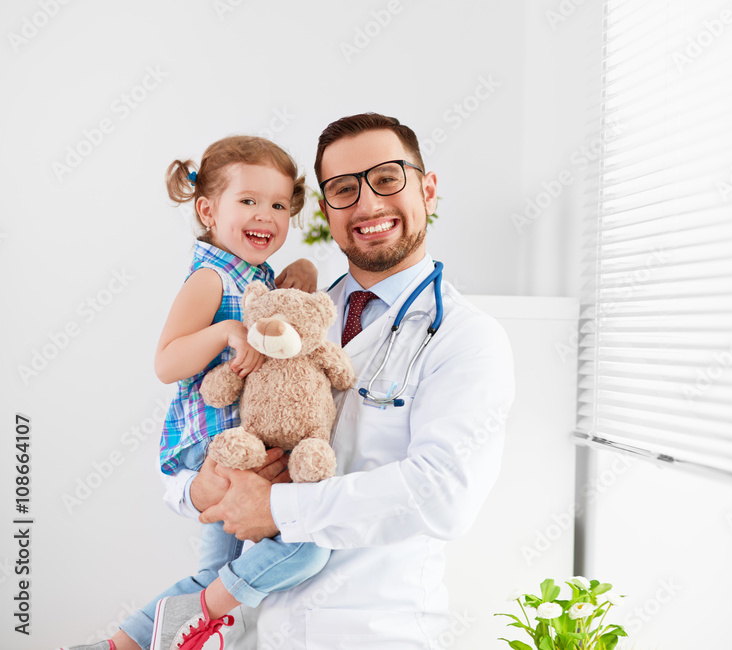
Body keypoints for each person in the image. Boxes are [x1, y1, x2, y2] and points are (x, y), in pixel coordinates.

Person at [172, 113, 516, 648]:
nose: (368, 205)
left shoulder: (468, 338)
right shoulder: (287, 314)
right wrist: (200, 488)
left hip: (370, 632)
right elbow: (192, 423)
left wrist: (276, 508)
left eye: (387, 179)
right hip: (253, 632)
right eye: (343, 190)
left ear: (427, 189)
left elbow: (443, 493)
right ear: (327, 212)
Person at [63, 135, 330, 650]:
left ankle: (120, 645)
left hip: (246, 445)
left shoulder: (256, 274)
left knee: (215, 574)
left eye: (278, 204)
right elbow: (166, 362)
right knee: (302, 551)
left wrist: (305, 273)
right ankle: (166, 629)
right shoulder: (211, 278)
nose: (266, 215)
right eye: (248, 201)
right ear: (207, 209)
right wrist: (224, 335)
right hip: (216, 444)